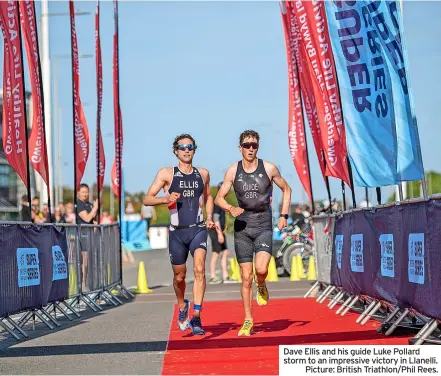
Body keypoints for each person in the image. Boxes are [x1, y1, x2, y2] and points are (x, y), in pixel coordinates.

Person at [215, 129, 292, 336]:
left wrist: (283, 215)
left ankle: (262, 284)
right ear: (240, 148)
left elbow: (287, 189)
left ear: (258, 147)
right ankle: (248, 319)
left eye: (254, 145)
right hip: (242, 226)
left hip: (263, 223)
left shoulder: (269, 168)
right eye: (247, 145)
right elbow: (218, 198)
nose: (250, 148)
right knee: (245, 276)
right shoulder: (233, 171)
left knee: (261, 270)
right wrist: (230, 208)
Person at [143, 134, 215, 336]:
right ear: (176, 150)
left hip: (198, 228)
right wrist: (164, 199)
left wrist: (210, 217)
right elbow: (147, 199)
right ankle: (182, 305)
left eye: (190, 146)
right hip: (177, 232)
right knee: (179, 276)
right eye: (182, 147)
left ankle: (197, 316)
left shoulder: (203, 174)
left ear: (194, 149)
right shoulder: (167, 174)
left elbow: (209, 197)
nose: (186, 150)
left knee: (200, 269)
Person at [208, 182, 234, 284]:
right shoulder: (217, 202)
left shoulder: (222, 201)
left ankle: (225, 276)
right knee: (215, 253)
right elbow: (215, 219)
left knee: (225, 251)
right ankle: (213, 277)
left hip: (220, 231)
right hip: (215, 231)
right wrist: (219, 234)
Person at [76, 183, 99, 291]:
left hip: (91, 235)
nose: (85, 194)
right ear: (79, 193)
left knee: (90, 261)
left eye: (86, 192)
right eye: (83, 192)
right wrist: (95, 209)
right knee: (84, 261)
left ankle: (90, 284)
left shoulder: (89, 204)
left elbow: (94, 220)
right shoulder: (79, 204)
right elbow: (86, 218)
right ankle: (83, 285)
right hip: (83, 234)